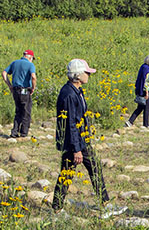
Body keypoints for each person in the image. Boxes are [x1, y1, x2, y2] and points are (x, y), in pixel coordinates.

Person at [52, 59, 123, 216]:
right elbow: (70, 122)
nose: (89, 75)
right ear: (77, 75)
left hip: (79, 139)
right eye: (86, 72)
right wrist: (77, 149)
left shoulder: (77, 90)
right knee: (68, 173)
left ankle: (104, 203)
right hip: (73, 142)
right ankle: (57, 209)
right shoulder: (69, 94)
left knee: (89, 169)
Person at [3, 50, 37, 138]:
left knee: (18, 111)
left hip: (15, 90)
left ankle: (14, 132)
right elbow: (33, 77)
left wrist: (10, 86)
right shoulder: (30, 65)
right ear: (30, 57)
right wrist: (33, 88)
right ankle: (23, 133)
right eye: (32, 59)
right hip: (25, 90)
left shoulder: (15, 63)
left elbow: (4, 73)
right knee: (26, 111)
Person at [127, 54, 149, 127]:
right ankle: (146, 124)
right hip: (144, 91)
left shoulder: (143, 67)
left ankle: (130, 121)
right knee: (146, 108)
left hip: (140, 89)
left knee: (140, 107)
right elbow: (145, 82)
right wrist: (147, 93)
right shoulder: (146, 69)